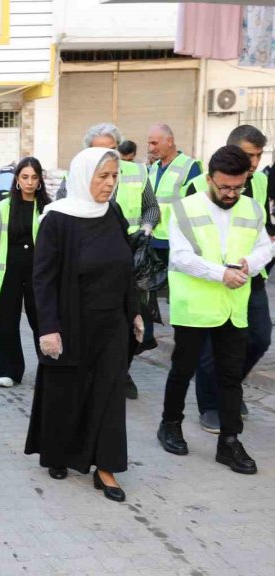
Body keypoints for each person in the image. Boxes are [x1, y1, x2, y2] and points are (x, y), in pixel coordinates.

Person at [25, 147, 142, 502]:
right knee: (67, 390)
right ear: (82, 176)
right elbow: (42, 277)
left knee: (109, 393)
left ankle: (105, 467)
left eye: (114, 176)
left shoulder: (114, 213)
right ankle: (58, 453)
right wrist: (48, 327)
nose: (110, 184)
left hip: (111, 322)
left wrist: (134, 311)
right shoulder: (57, 219)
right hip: (70, 320)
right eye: (102, 176)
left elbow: (126, 269)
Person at [158, 145, 270, 475]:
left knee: (230, 375)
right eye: (225, 187)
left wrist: (251, 263)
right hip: (194, 305)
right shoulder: (184, 208)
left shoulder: (252, 207)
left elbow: (265, 245)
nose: (232, 193)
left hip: (233, 307)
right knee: (184, 368)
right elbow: (180, 256)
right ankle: (170, 424)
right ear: (209, 179)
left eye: (238, 186)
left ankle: (230, 441)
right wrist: (220, 273)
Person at [59, 123, 161, 398]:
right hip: (91, 257)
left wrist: (147, 229)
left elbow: (151, 207)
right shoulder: (76, 175)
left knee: (131, 316)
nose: (106, 155)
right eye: (98, 150)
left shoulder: (137, 172)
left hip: (128, 253)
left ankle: (121, 369)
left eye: (111, 149)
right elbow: (61, 209)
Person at [184, 126, 271, 433]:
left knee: (260, 337)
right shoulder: (197, 185)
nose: (255, 163)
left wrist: (258, 257)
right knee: (211, 347)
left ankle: (229, 385)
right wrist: (216, 271)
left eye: (260, 155)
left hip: (249, 275)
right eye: (250, 155)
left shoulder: (259, 181)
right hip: (211, 278)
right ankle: (210, 404)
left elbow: (263, 228)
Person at [0, 157, 50, 388]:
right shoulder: (1, 208)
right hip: (9, 271)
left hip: (38, 272)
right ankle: (9, 370)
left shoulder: (48, 208)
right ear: (17, 179)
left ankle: (48, 366)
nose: (29, 182)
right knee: (7, 321)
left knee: (41, 319)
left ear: (40, 181)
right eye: (25, 177)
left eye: (34, 177)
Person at [147, 123, 203, 265]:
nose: (150, 148)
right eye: (149, 144)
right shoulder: (153, 168)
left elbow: (196, 206)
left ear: (170, 141)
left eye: (154, 143)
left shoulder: (190, 167)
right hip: (153, 239)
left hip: (176, 241)